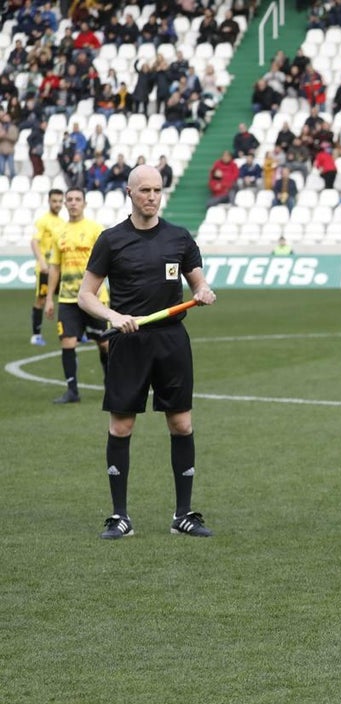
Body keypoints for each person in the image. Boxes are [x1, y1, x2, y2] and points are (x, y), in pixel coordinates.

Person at [76, 165, 217, 540]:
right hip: (129, 341)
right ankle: (120, 517)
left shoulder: (179, 238)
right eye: (145, 191)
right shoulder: (111, 240)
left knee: (181, 424)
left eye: (157, 190)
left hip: (171, 340)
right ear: (130, 193)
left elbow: (198, 280)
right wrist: (113, 315)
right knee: (121, 426)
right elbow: (85, 295)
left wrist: (203, 291)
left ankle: (183, 515)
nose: (152, 197)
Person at [44, 188, 108, 404]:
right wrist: (49, 299)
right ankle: (72, 390)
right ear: (64, 204)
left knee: (104, 344)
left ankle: (111, 384)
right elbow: (54, 267)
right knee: (67, 342)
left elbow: (107, 261)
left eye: (77, 199)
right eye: (69, 199)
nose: (72, 203)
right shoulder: (59, 232)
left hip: (93, 297)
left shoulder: (95, 229)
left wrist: (101, 291)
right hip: (68, 299)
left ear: (84, 203)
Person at [29, 188, 65, 346]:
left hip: (59, 268)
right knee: (41, 300)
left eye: (59, 201)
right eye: (54, 201)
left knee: (67, 299)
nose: (57, 204)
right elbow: (34, 242)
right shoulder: (43, 220)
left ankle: (74, 332)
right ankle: (36, 335)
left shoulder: (63, 222)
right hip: (45, 268)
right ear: (49, 201)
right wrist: (42, 261)